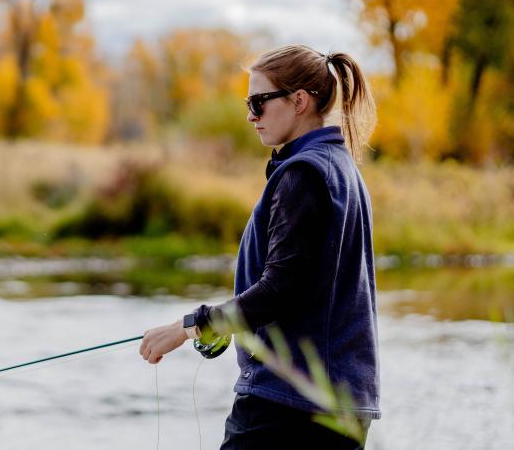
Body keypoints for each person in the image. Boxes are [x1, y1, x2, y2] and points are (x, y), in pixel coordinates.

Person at [139, 44, 380, 449]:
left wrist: (190, 325)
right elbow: (303, 289)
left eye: (259, 102)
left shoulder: (304, 174)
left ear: (299, 101)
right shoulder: (343, 169)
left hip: (287, 407)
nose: (251, 116)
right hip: (344, 405)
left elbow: (280, 291)